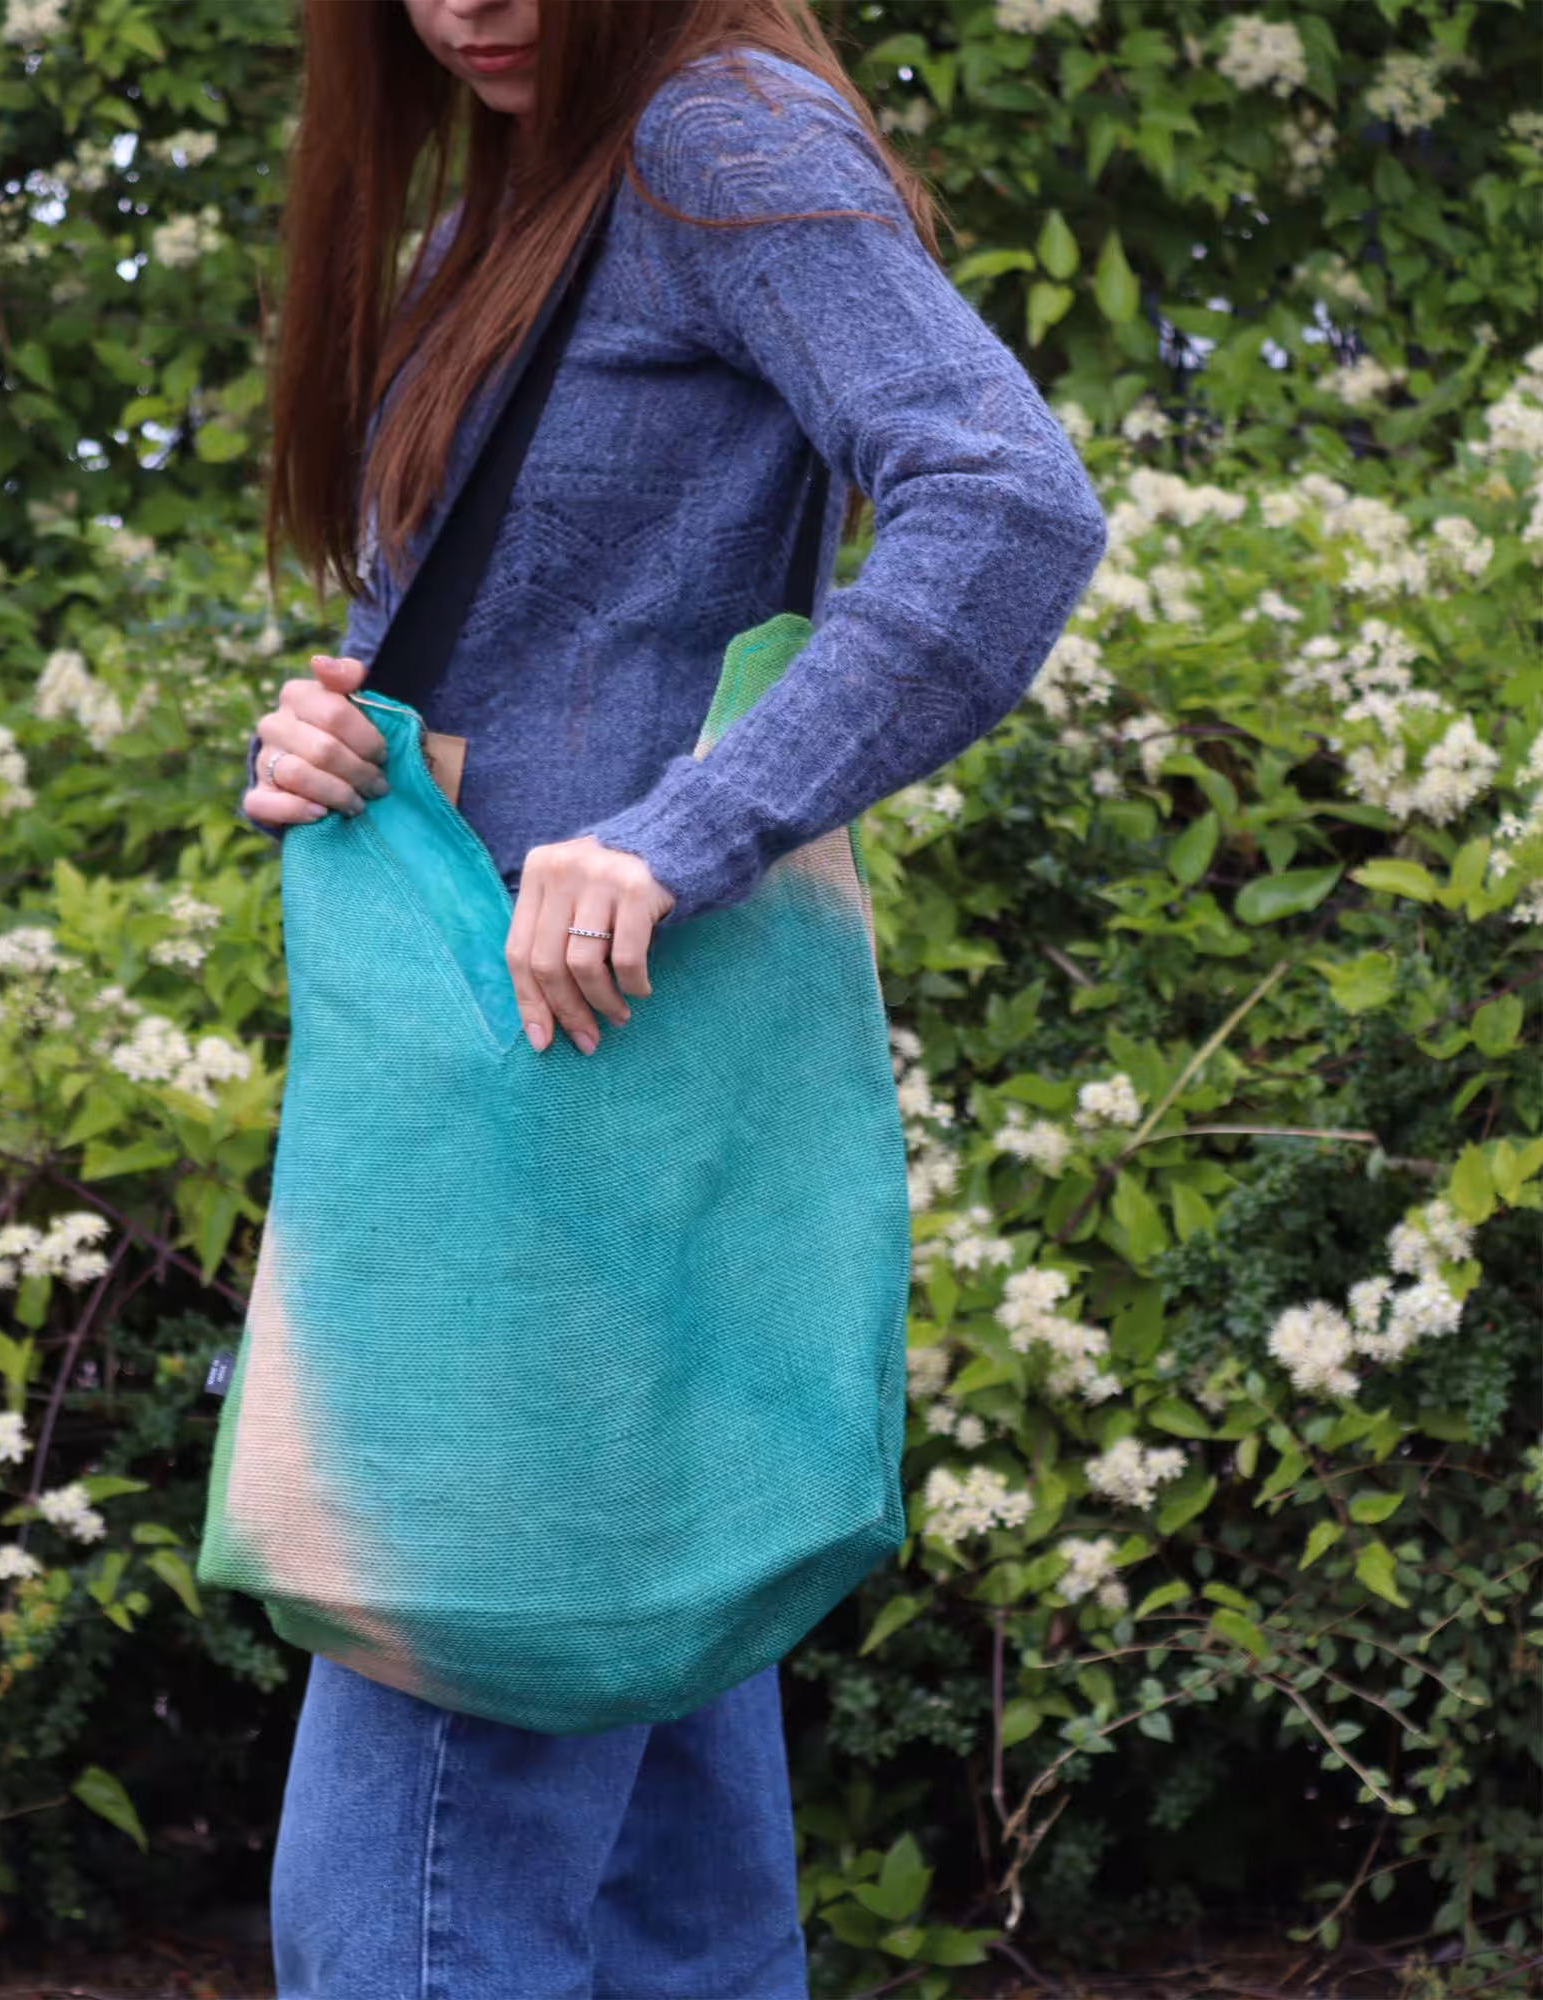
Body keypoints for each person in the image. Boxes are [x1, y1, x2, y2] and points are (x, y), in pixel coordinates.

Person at [236, 2, 1108, 1994]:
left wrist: (685, 829)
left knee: (407, 1903)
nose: (465, 4)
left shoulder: (716, 133)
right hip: (517, 1094)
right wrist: (330, 732)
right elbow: (499, 632)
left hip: (570, 1119)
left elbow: (1007, 501)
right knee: (673, 1915)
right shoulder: (504, 211)